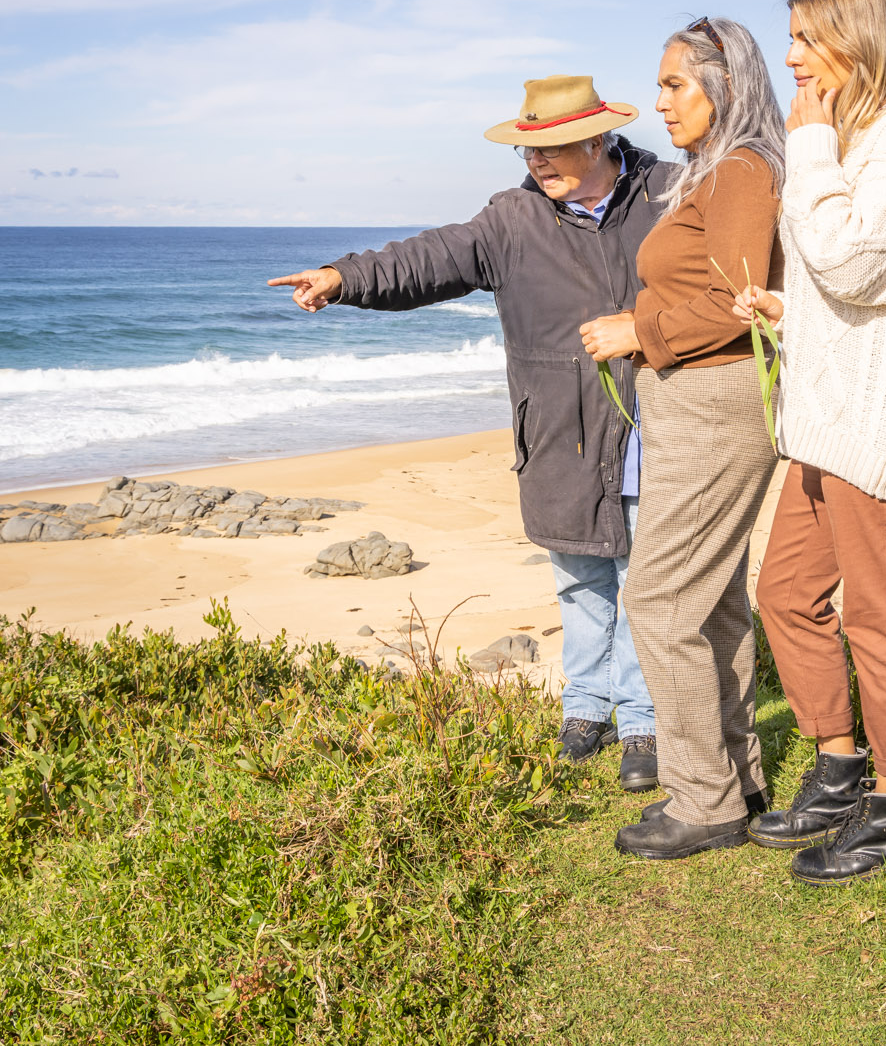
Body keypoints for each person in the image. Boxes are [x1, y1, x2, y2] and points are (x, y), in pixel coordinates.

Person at [268, 75, 665, 791]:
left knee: (645, 575)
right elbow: (430, 258)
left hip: (656, 420)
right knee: (578, 574)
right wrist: (342, 276)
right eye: (527, 151)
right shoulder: (511, 218)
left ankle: (641, 718)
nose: (535, 163)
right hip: (558, 430)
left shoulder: (669, 194)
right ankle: (585, 707)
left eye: (550, 150)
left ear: (598, 139)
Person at [733, 0, 886, 885]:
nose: (789, 57)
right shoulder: (853, 133)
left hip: (875, 427)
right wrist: (788, 312)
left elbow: (853, 259)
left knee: (883, 616)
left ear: (856, 38)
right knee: (787, 595)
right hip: (825, 422)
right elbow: (855, 285)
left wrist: (813, 148)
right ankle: (839, 764)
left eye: (803, 38)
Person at [578, 17, 786, 861]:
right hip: (699, 402)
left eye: (674, 85)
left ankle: (703, 802)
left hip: (713, 401)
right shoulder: (722, 170)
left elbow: (740, 304)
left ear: (724, 85)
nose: (659, 103)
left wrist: (639, 330)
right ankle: (736, 778)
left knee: (659, 600)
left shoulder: (738, 171)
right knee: (714, 600)